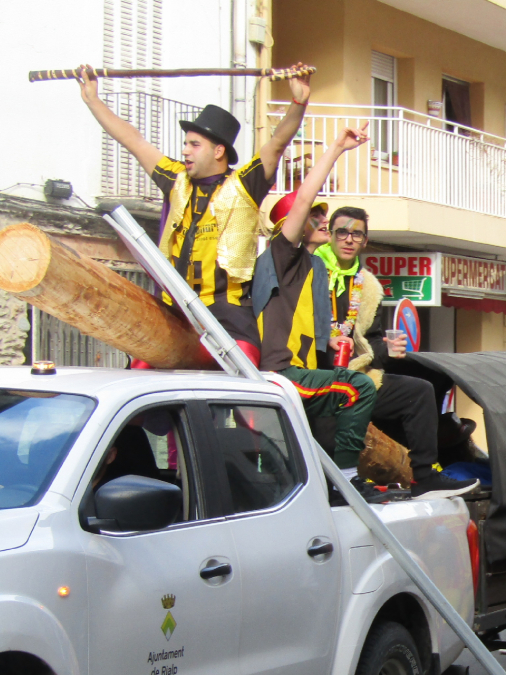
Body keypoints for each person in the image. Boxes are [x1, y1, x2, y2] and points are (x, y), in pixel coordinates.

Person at [75, 63, 312, 365]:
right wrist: (93, 100)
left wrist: (299, 102)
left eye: (194, 144)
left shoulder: (244, 184)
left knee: (247, 375)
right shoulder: (176, 179)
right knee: (139, 369)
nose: (185, 151)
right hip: (173, 309)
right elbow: (133, 140)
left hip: (227, 311)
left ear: (218, 151)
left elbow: (277, 143)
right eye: (185, 144)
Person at [313, 207, 477, 497]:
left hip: (357, 379)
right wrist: (324, 338)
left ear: (365, 240)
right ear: (330, 235)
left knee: (419, 390)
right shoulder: (309, 272)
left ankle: (424, 478)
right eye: (342, 232)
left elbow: (371, 344)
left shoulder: (369, 287)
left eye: (357, 234)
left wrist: (387, 350)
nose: (349, 239)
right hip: (315, 379)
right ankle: (336, 486)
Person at [252, 126, 377, 469]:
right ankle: (349, 478)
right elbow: (304, 196)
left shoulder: (312, 268)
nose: (324, 220)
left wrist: (331, 343)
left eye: (323, 215)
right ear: (290, 226)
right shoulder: (282, 255)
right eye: (315, 216)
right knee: (358, 389)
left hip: (300, 373)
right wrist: (336, 147)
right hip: (281, 375)